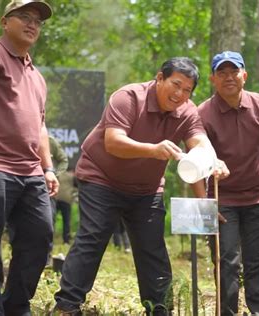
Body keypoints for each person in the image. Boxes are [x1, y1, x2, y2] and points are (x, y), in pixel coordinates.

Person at [53, 57, 229, 315]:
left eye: (187, 90)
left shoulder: (188, 111)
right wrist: (153, 150)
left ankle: (159, 308)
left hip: (146, 189)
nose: (180, 94)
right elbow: (113, 141)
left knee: (152, 247)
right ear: (159, 78)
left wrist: (213, 161)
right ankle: (67, 305)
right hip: (101, 177)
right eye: (175, 85)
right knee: (93, 237)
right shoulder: (128, 98)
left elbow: (199, 142)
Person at [0, 1, 57, 314]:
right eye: (24, 17)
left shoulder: (37, 76)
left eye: (37, 21)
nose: (32, 24)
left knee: (40, 238)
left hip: (31, 172)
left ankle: (16, 306)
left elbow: (39, 125)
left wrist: (48, 167)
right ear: (4, 22)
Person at [191, 51, 259, 315]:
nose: (229, 78)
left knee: (258, 262)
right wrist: (206, 205)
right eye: (222, 73)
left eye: (234, 72)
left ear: (244, 76)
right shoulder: (202, 112)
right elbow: (195, 162)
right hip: (222, 201)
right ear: (213, 79)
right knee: (226, 262)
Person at [55, 169, 77, 244]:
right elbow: (77, 187)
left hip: (56, 198)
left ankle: (50, 237)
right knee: (66, 221)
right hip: (66, 199)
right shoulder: (72, 176)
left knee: (52, 219)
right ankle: (66, 240)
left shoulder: (58, 174)